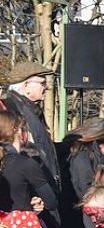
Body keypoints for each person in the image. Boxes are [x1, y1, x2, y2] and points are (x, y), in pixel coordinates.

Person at [2, 62, 60, 198]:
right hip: (31, 193)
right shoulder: (10, 110)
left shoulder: (31, 110)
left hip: (41, 187)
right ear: (26, 85)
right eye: (42, 82)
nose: (47, 87)